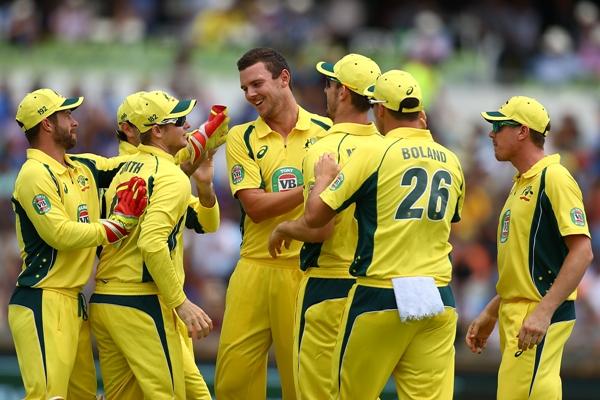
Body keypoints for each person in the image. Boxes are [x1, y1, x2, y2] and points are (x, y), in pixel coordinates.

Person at [303, 70, 465, 400]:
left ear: (379, 110)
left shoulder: (374, 152)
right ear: (420, 113)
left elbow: (316, 216)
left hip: (382, 292)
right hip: (438, 296)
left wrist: (323, 178)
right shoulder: (452, 160)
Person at [8, 88, 147, 399]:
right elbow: (60, 233)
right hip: (43, 299)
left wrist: (190, 147)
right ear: (46, 124)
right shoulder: (33, 174)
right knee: (48, 397)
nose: (75, 122)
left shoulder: (80, 165)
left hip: (72, 303)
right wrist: (117, 226)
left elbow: (135, 167)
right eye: (67, 115)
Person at [89, 90, 228, 399]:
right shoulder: (168, 175)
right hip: (143, 301)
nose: (188, 125)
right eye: (178, 120)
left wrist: (204, 187)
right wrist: (182, 302)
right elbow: (152, 243)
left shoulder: (116, 169)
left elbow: (204, 222)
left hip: (108, 300)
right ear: (157, 130)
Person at [216, 47, 331, 400]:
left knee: (301, 382)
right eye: (245, 89)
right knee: (232, 382)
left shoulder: (327, 132)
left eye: (256, 84)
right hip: (253, 266)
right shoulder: (241, 136)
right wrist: (313, 185)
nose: (250, 95)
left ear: (284, 79)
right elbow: (254, 206)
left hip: (305, 268)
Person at [267, 53, 381, 399]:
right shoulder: (386, 147)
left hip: (328, 285)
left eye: (328, 84)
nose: (325, 91)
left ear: (343, 92)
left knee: (316, 391)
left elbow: (319, 229)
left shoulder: (324, 148)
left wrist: (284, 228)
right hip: (375, 287)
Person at [466, 96, 594, 400]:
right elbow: (526, 265)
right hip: (519, 314)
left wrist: (542, 312)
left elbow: (582, 252)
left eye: (498, 125)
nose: (491, 133)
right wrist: (492, 310)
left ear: (522, 131)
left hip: (534, 316)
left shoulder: (554, 178)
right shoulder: (521, 183)